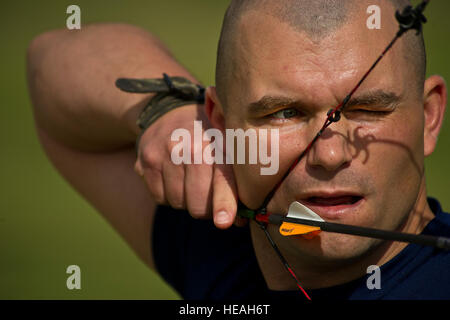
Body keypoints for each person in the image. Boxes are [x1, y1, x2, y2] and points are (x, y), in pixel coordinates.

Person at [27, 0, 450, 300]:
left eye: (366, 109)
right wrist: (169, 111)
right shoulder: (230, 244)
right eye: (284, 113)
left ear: (429, 117)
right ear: (223, 124)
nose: (329, 155)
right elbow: (50, 58)